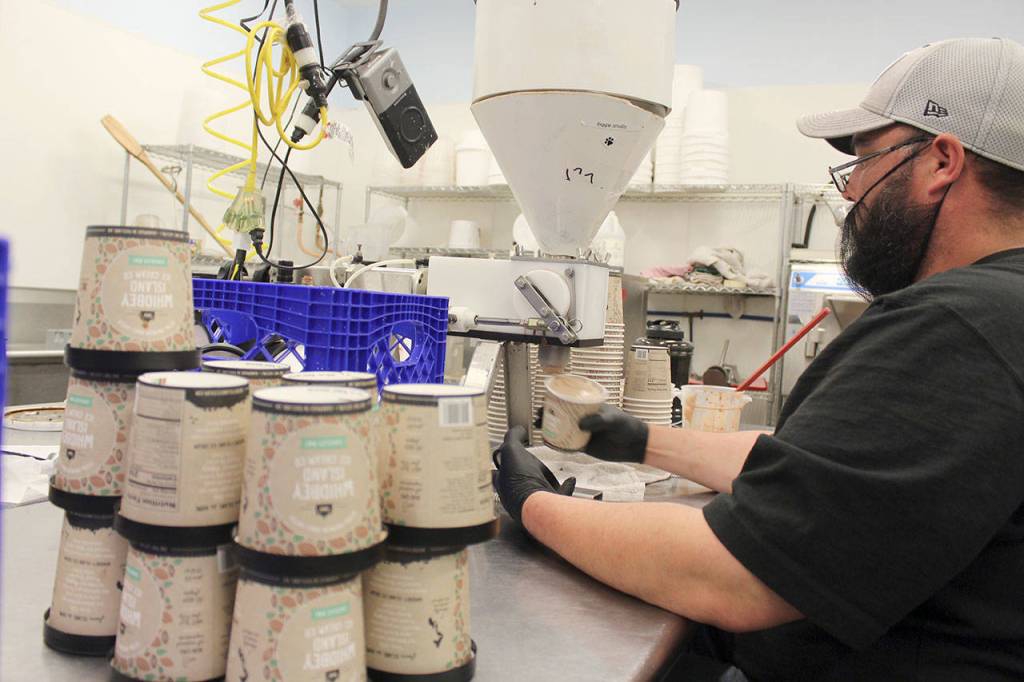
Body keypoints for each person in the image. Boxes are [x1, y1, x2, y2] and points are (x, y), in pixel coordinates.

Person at [494, 37, 1024, 681]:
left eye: (865, 161)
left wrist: (532, 505)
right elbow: (827, 469)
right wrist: (632, 438)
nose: (852, 190)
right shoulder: (1001, 311)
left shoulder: (955, 325)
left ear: (942, 161)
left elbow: (731, 576)